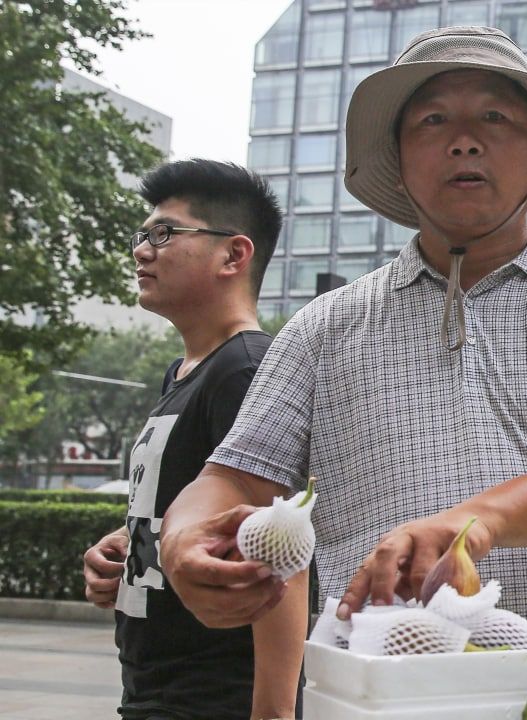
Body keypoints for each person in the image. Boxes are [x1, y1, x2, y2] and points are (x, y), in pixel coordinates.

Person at [157, 25, 527, 650]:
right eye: (431, 121)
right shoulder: (326, 326)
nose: (464, 142)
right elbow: (234, 479)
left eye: (494, 117)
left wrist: (476, 523)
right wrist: (181, 537)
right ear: (397, 158)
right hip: (372, 688)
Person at [80, 160, 300, 719]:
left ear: (234, 254)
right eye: (143, 235)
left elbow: (284, 549)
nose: (142, 250)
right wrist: (131, 543)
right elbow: (203, 516)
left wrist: (273, 714)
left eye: (165, 234)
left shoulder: (245, 369)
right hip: (154, 688)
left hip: (212, 698)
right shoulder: (185, 371)